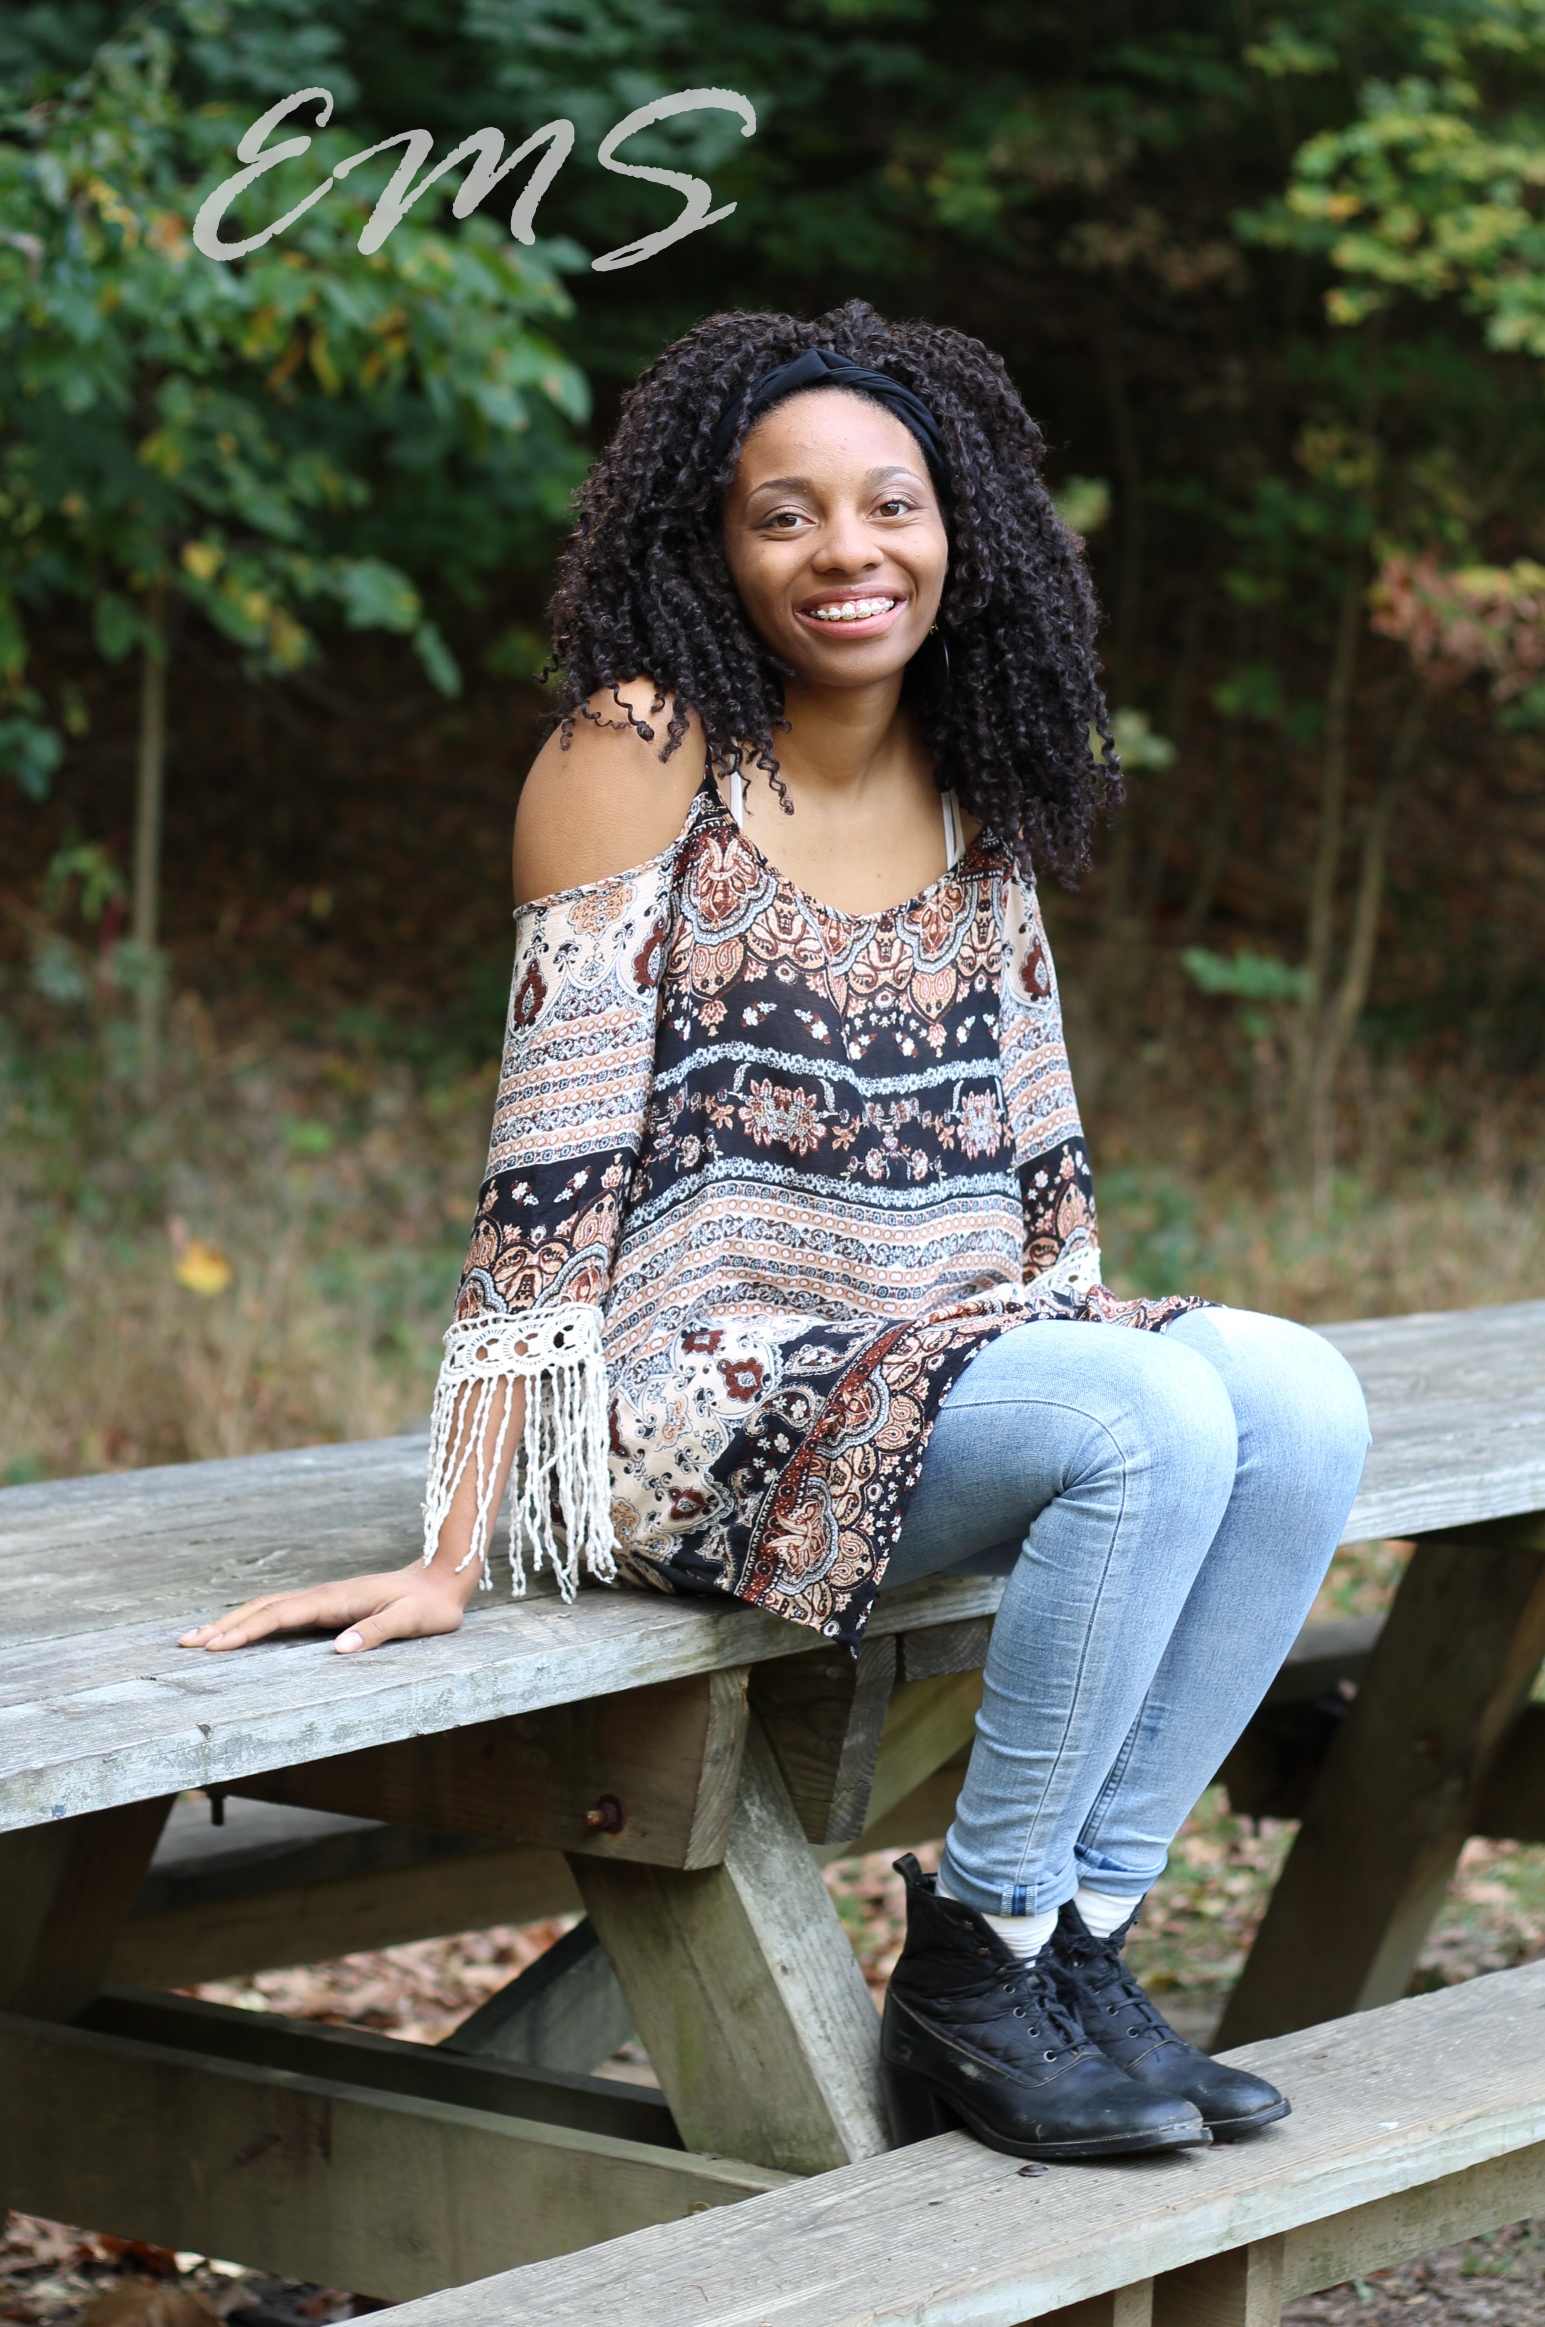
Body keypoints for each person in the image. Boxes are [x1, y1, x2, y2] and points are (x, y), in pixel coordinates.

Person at [180, 300, 1370, 2163]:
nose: (845, 552)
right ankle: (975, 1967)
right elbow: (545, 1170)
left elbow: (1041, 1158)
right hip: (685, 1411)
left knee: (1297, 1399)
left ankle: (1071, 1941)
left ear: (956, 529)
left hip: (938, 1374)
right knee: (1145, 1418)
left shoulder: (974, 770)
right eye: (782, 514)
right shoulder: (640, 746)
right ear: (710, 546)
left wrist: (1101, 1365)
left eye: (888, 504)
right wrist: (454, 1540)